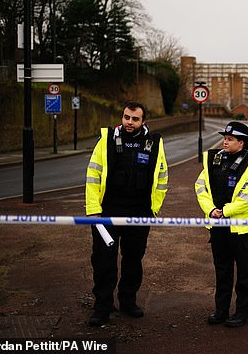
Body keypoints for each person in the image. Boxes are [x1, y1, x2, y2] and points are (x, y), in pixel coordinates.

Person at [85, 101, 168, 327]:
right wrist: (93, 210)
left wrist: (153, 209)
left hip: (139, 213)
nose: (129, 122)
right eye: (126, 118)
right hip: (107, 212)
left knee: (133, 259)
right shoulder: (107, 140)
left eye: (135, 119)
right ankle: (102, 306)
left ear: (143, 121)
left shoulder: (154, 143)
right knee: (103, 261)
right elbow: (93, 176)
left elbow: (162, 178)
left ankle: (128, 301)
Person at [195, 121, 248, 327]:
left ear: (242, 143)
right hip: (218, 225)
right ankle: (221, 310)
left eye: (230, 139)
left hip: (241, 228)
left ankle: (243, 312)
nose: (225, 142)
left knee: (245, 272)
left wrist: (225, 211)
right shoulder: (214, 159)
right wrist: (210, 210)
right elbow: (200, 186)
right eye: (225, 138)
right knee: (222, 270)